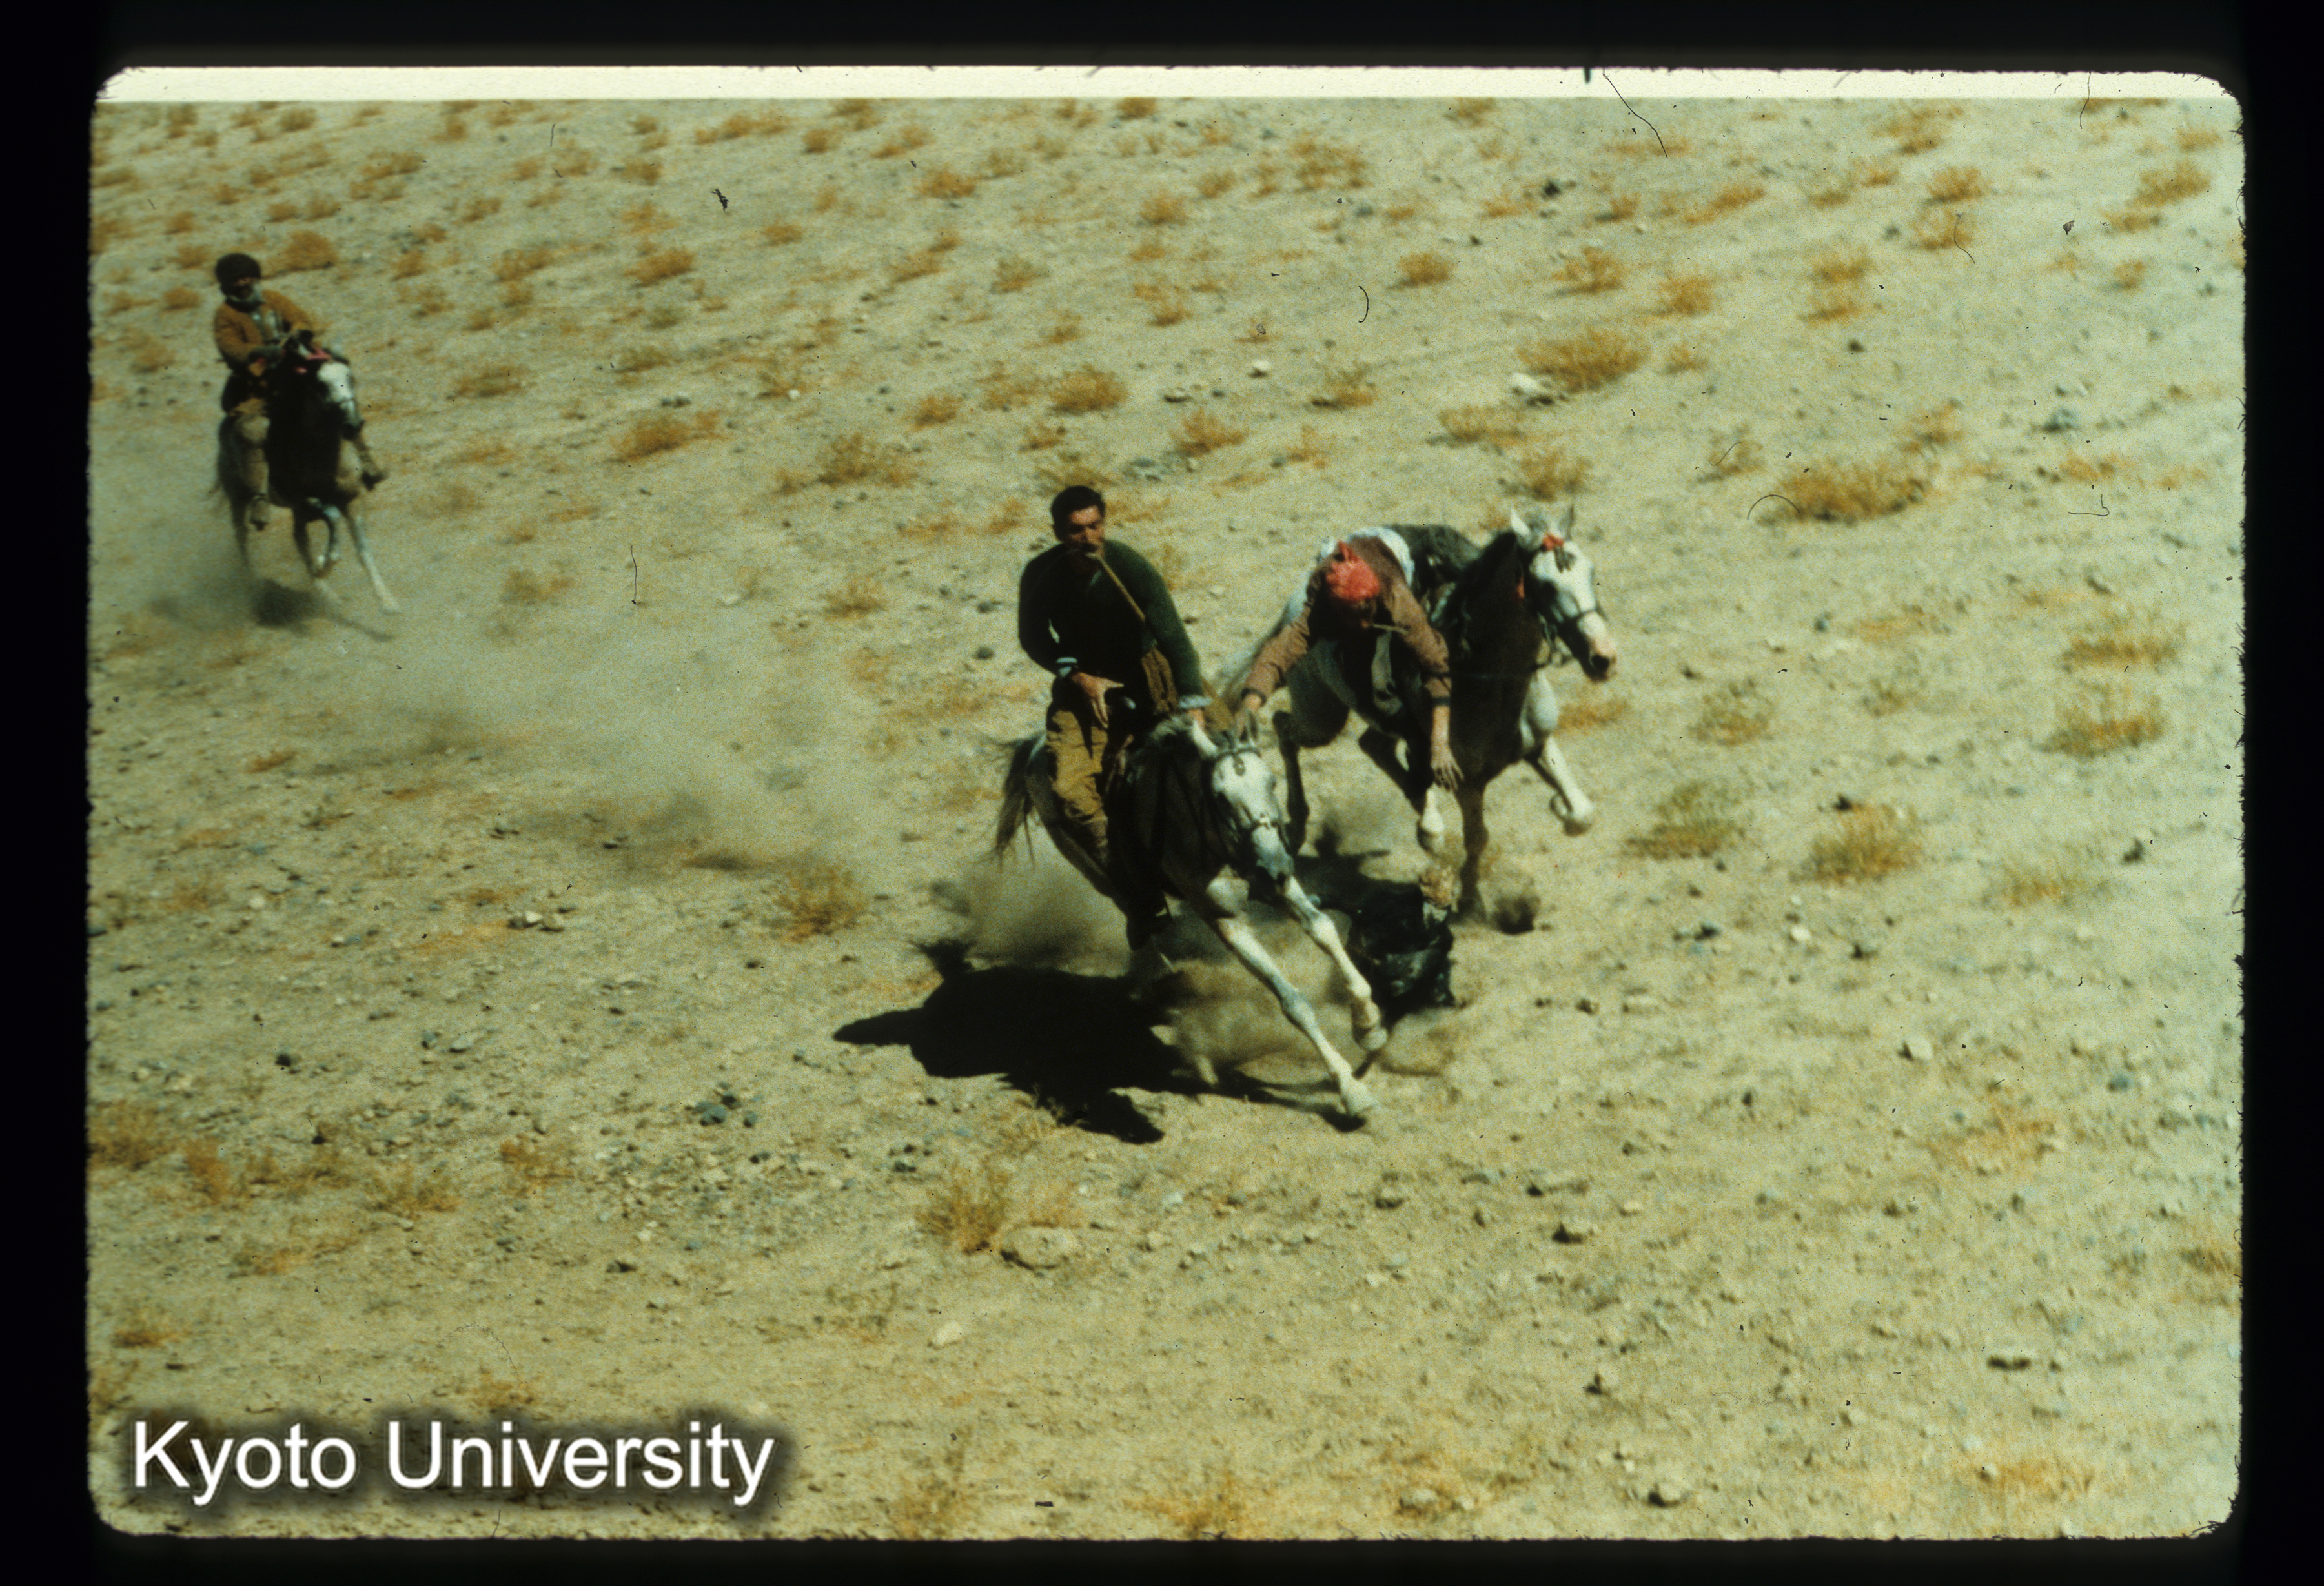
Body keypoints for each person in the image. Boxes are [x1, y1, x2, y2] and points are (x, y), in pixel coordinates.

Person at [1017, 485, 1212, 944]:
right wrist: (1077, 676)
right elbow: (1033, 637)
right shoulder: (1041, 574)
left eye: (1095, 525)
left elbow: (1174, 637)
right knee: (1070, 793)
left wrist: (1193, 702)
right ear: (1057, 532)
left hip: (1149, 675)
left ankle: (1257, 861)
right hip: (1083, 689)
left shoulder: (1130, 567)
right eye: (1076, 530)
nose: (1088, 538)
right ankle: (1139, 896)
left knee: (1223, 759)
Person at [1236, 532, 1462, 790]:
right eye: (1353, 617)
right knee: (1360, 677)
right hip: (1349, 594)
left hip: (1391, 559)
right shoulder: (1322, 601)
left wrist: (1440, 744)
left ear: (1374, 599)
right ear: (1334, 608)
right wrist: (1249, 706)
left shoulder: (1397, 600)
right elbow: (1280, 652)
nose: (1364, 624)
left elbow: (1436, 667)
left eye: (1367, 614)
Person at [212, 252, 385, 533]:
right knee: (253, 432)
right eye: (236, 280)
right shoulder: (225, 315)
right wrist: (259, 351)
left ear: (255, 277)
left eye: (246, 277)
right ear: (226, 285)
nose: (243, 283)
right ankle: (259, 497)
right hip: (257, 391)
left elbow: (300, 319)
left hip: (292, 373)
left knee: (336, 397)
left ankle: (366, 460)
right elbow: (230, 348)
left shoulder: (273, 299)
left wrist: (298, 332)